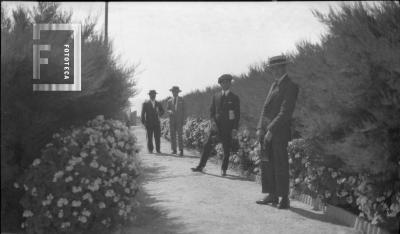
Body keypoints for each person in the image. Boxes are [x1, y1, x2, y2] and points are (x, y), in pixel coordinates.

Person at [255, 55, 299, 209]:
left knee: (280, 164)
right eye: (272, 69)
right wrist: (260, 127)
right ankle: (272, 194)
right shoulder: (274, 85)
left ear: (283, 68)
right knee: (268, 164)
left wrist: (271, 130)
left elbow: (285, 112)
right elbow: (265, 108)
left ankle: (284, 198)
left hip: (279, 133)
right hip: (267, 132)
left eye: (275, 68)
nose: (273, 71)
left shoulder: (291, 86)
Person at [191, 74, 240, 176]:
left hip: (228, 128)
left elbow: (237, 114)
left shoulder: (235, 98)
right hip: (215, 127)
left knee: (226, 149)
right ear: (220, 84)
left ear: (230, 83)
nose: (225, 84)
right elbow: (212, 112)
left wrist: (235, 128)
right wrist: (213, 122)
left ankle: (224, 169)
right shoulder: (216, 96)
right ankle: (201, 166)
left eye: (228, 82)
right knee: (207, 146)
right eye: (223, 82)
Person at [166, 86, 186, 156]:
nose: (174, 93)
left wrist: (184, 120)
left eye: (176, 92)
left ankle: (181, 150)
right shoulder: (169, 101)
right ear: (172, 92)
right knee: (172, 135)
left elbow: (184, 111)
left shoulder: (182, 100)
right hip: (172, 121)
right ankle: (174, 150)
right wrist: (169, 111)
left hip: (179, 121)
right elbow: (167, 109)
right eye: (173, 91)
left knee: (180, 135)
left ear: (178, 92)